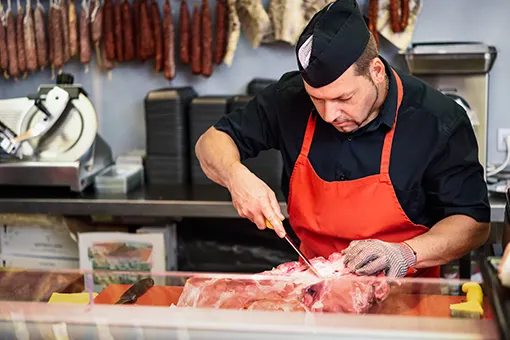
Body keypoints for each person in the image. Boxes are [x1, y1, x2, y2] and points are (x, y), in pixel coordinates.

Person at [195, 0, 490, 278]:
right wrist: (236, 176)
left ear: (375, 71)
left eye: (343, 98)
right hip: (316, 290)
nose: (328, 114)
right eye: (316, 99)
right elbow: (211, 142)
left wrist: (404, 253)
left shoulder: (437, 119)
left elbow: (473, 223)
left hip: (409, 296)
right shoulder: (289, 98)